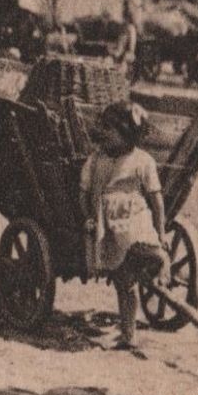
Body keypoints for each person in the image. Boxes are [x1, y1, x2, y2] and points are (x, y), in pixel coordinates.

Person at [82, 101, 168, 350]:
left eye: (110, 131)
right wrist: (88, 215)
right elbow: (84, 191)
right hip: (108, 225)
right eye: (103, 129)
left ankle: (159, 257)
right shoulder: (96, 160)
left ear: (127, 134)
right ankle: (128, 335)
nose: (104, 135)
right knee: (124, 283)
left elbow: (156, 200)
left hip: (134, 219)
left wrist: (161, 233)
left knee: (139, 242)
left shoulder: (142, 161)